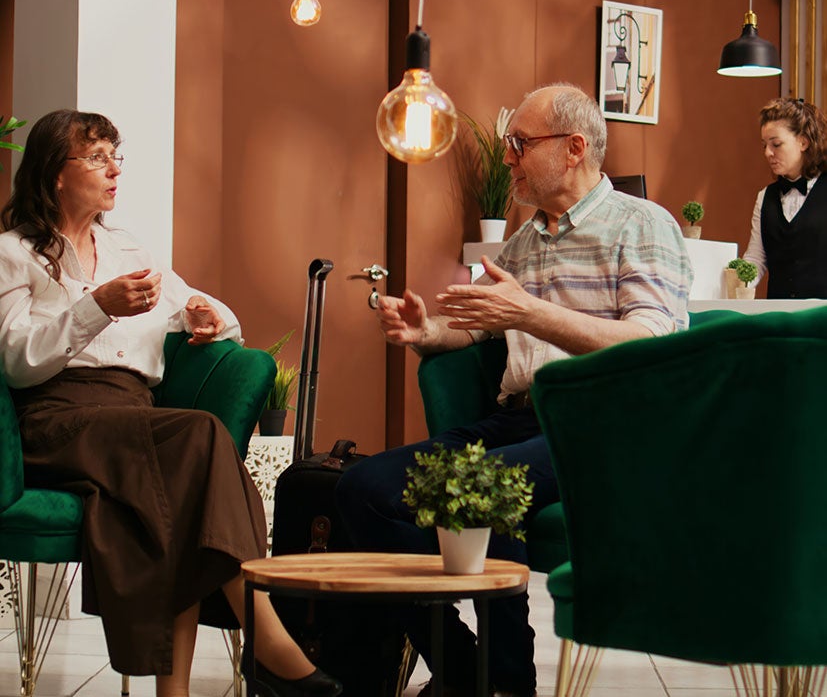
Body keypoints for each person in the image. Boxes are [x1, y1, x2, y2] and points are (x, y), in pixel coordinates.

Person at [335, 84, 693, 697]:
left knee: (485, 488)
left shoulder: (643, 225)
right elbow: (475, 328)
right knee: (363, 490)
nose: (508, 159)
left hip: (602, 423)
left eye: (519, 144)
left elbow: (649, 344)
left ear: (575, 147)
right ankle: (472, 672)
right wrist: (426, 331)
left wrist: (529, 312)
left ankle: (501, 679)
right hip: (519, 421)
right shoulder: (526, 241)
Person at [0, 109, 341, 697]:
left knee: (183, 487)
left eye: (117, 155)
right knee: (199, 438)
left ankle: (176, 692)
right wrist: (97, 306)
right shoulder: (14, 252)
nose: (115, 169)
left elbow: (202, 310)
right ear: (56, 172)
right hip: (54, 418)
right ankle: (270, 642)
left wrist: (210, 318)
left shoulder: (127, 247)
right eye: (97, 157)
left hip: (135, 416)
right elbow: (15, 360)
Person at [741, 97, 827, 299]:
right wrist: (732, 280)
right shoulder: (765, 197)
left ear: (803, 142)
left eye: (776, 144)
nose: (768, 153)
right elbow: (756, 258)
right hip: (778, 314)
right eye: (764, 145)